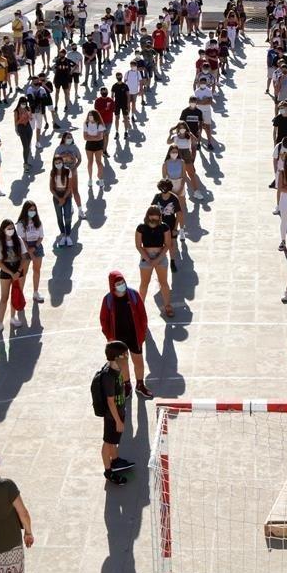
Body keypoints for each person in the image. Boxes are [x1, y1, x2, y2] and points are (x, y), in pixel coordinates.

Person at [100, 271, 153, 399]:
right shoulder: (108, 300)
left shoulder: (134, 295)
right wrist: (110, 337)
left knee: (138, 363)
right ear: (112, 285)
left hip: (134, 336)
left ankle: (140, 385)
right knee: (123, 364)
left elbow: (142, 316)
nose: (121, 285)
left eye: (122, 282)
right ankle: (127, 385)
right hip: (118, 338)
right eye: (118, 283)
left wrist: (142, 332)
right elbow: (104, 320)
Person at [97, 340, 134, 484]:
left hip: (119, 411)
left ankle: (116, 460)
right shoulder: (109, 376)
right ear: (117, 356)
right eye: (125, 354)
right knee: (107, 442)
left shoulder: (117, 368)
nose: (127, 356)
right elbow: (110, 401)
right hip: (112, 416)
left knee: (113, 440)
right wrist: (118, 420)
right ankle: (108, 472)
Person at [135, 206, 173, 316]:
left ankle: (167, 306)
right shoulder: (141, 228)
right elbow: (138, 245)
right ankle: (139, 308)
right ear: (148, 216)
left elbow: (167, 245)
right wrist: (148, 259)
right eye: (152, 218)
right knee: (144, 284)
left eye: (156, 219)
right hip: (146, 256)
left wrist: (157, 259)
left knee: (163, 283)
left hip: (160, 256)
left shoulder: (164, 227)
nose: (154, 221)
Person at [0, 220, 28, 334]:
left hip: (18, 270)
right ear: (3, 230)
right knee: (4, 297)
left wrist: (18, 271)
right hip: (6, 271)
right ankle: (0, 322)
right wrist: (10, 273)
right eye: (8, 228)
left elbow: (24, 257)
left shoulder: (18, 240)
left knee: (16, 293)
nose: (11, 230)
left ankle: (13, 317)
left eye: (12, 228)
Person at [50, 152, 81, 248]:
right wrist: (58, 198)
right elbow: (51, 188)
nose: (58, 164)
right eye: (56, 163)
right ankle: (63, 234)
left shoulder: (68, 171)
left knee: (67, 217)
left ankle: (68, 235)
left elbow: (70, 187)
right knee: (59, 217)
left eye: (60, 162)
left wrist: (63, 198)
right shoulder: (53, 172)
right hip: (57, 196)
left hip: (66, 196)